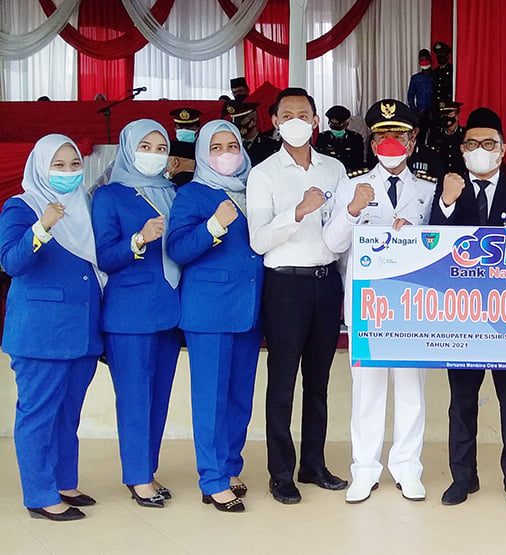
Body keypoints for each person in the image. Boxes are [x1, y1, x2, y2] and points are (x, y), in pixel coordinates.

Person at [428, 107, 506, 507]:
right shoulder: (448, 189)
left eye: (489, 143)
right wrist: (446, 202)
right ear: (462, 148)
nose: (480, 149)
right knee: (462, 402)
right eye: (472, 143)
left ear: (503, 149)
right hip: (461, 318)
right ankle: (463, 477)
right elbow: (432, 250)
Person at [322, 98, 435, 504]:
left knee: (410, 390)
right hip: (367, 305)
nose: (391, 143)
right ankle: (365, 469)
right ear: (372, 143)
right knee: (367, 391)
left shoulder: (428, 188)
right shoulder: (351, 184)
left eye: (399, 135)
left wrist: (417, 236)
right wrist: (353, 211)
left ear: (413, 140)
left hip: (413, 305)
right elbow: (332, 244)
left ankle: (407, 467)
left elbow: (441, 248)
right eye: (383, 136)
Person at [246, 87, 349, 505]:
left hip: (326, 282)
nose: (295, 122)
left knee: (319, 381)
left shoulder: (335, 170)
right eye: (287, 115)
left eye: (303, 115)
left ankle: (313, 464)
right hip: (285, 286)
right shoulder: (263, 174)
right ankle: (281, 472)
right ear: (274, 122)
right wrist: (297, 212)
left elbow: (344, 229)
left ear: (315, 121)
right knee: (283, 382)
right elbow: (258, 240)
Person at [0, 134, 104, 521]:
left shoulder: (84, 205)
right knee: (38, 414)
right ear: (40, 168)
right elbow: (11, 262)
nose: (68, 172)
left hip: (82, 329)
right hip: (41, 332)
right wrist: (42, 227)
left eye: (74, 165)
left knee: (67, 413)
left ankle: (63, 481)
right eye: (58, 166)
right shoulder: (22, 206)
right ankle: (40, 495)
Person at [165, 119, 263, 513]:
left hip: (249, 307)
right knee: (211, 398)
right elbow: (177, 248)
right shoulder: (192, 193)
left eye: (232, 146)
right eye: (217, 148)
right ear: (204, 154)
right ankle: (212, 479)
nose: (226, 154)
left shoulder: (253, 187)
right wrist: (213, 225)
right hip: (209, 310)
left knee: (240, 396)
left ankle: (230, 465)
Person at [92, 119, 181, 509]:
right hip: (129, 314)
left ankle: (148, 469)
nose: (153, 154)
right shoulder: (109, 196)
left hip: (169, 311)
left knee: (158, 399)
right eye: (145, 147)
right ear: (128, 150)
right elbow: (105, 256)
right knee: (134, 399)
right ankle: (137, 477)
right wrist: (139, 239)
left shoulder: (173, 193)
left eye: (160, 148)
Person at [225, 101, 280, 167]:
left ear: (253, 121)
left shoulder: (271, 146)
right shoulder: (231, 145)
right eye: (234, 123)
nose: (237, 126)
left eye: (240, 121)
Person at [316, 105, 366, 173]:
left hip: (350, 174)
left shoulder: (356, 138)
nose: (337, 130)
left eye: (339, 127)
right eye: (333, 127)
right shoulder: (323, 138)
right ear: (329, 123)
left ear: (346, 124)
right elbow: (319, 160)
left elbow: (359, 162)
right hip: (329, 173)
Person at [426, 100, 466, 174]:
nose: (446, 117)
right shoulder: (435, 134)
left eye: (449, 114)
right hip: (440, 175)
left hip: (460, 176)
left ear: (457, 116)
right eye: (444, 114)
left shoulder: (465, 134)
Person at [168, 107, 200, 186]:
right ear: (175, 129)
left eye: (189, 128)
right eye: (180, 128)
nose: (184, 130)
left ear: (197, 129)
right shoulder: (169, 147)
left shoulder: (203, 148)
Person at [407, 49, 434, 117]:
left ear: (430, 60)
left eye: (426, 59)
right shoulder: (415, 78)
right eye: (422, 60)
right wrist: (415, 111)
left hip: (434, 112)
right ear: (419, 62)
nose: (424, 62)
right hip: (420, 112)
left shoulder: (436, 76)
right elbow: (410, 96)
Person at [431, 41, 454, 107]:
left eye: (442, 54)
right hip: (436, 104)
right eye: (438, 54)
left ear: (447, 55)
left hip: (448, 104)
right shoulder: (436, 71)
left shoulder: (451, 70)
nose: (440, 56)